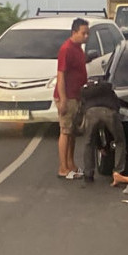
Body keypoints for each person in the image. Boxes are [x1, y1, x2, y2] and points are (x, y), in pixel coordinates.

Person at [55, 18, 90, 179]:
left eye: (87, 33)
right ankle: (63, 168)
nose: (86, 36)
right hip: (67, 97)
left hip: (76, 96)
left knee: (73, 132)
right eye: (83, 33)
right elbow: (60, 75)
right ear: (74, 32)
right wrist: (63, 100)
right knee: (65, 131)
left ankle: (71, 164)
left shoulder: (79, 49)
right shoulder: (66, 49)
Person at [80, 75, 126, 183]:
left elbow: (82, 107)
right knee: (120, 141)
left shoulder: (87, 92)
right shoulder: (108, 90)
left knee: (88, 142)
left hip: (91, 112)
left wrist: (99, 146)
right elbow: (117, 106)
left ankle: (88, 173)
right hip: (108, 112)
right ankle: (118, 172)